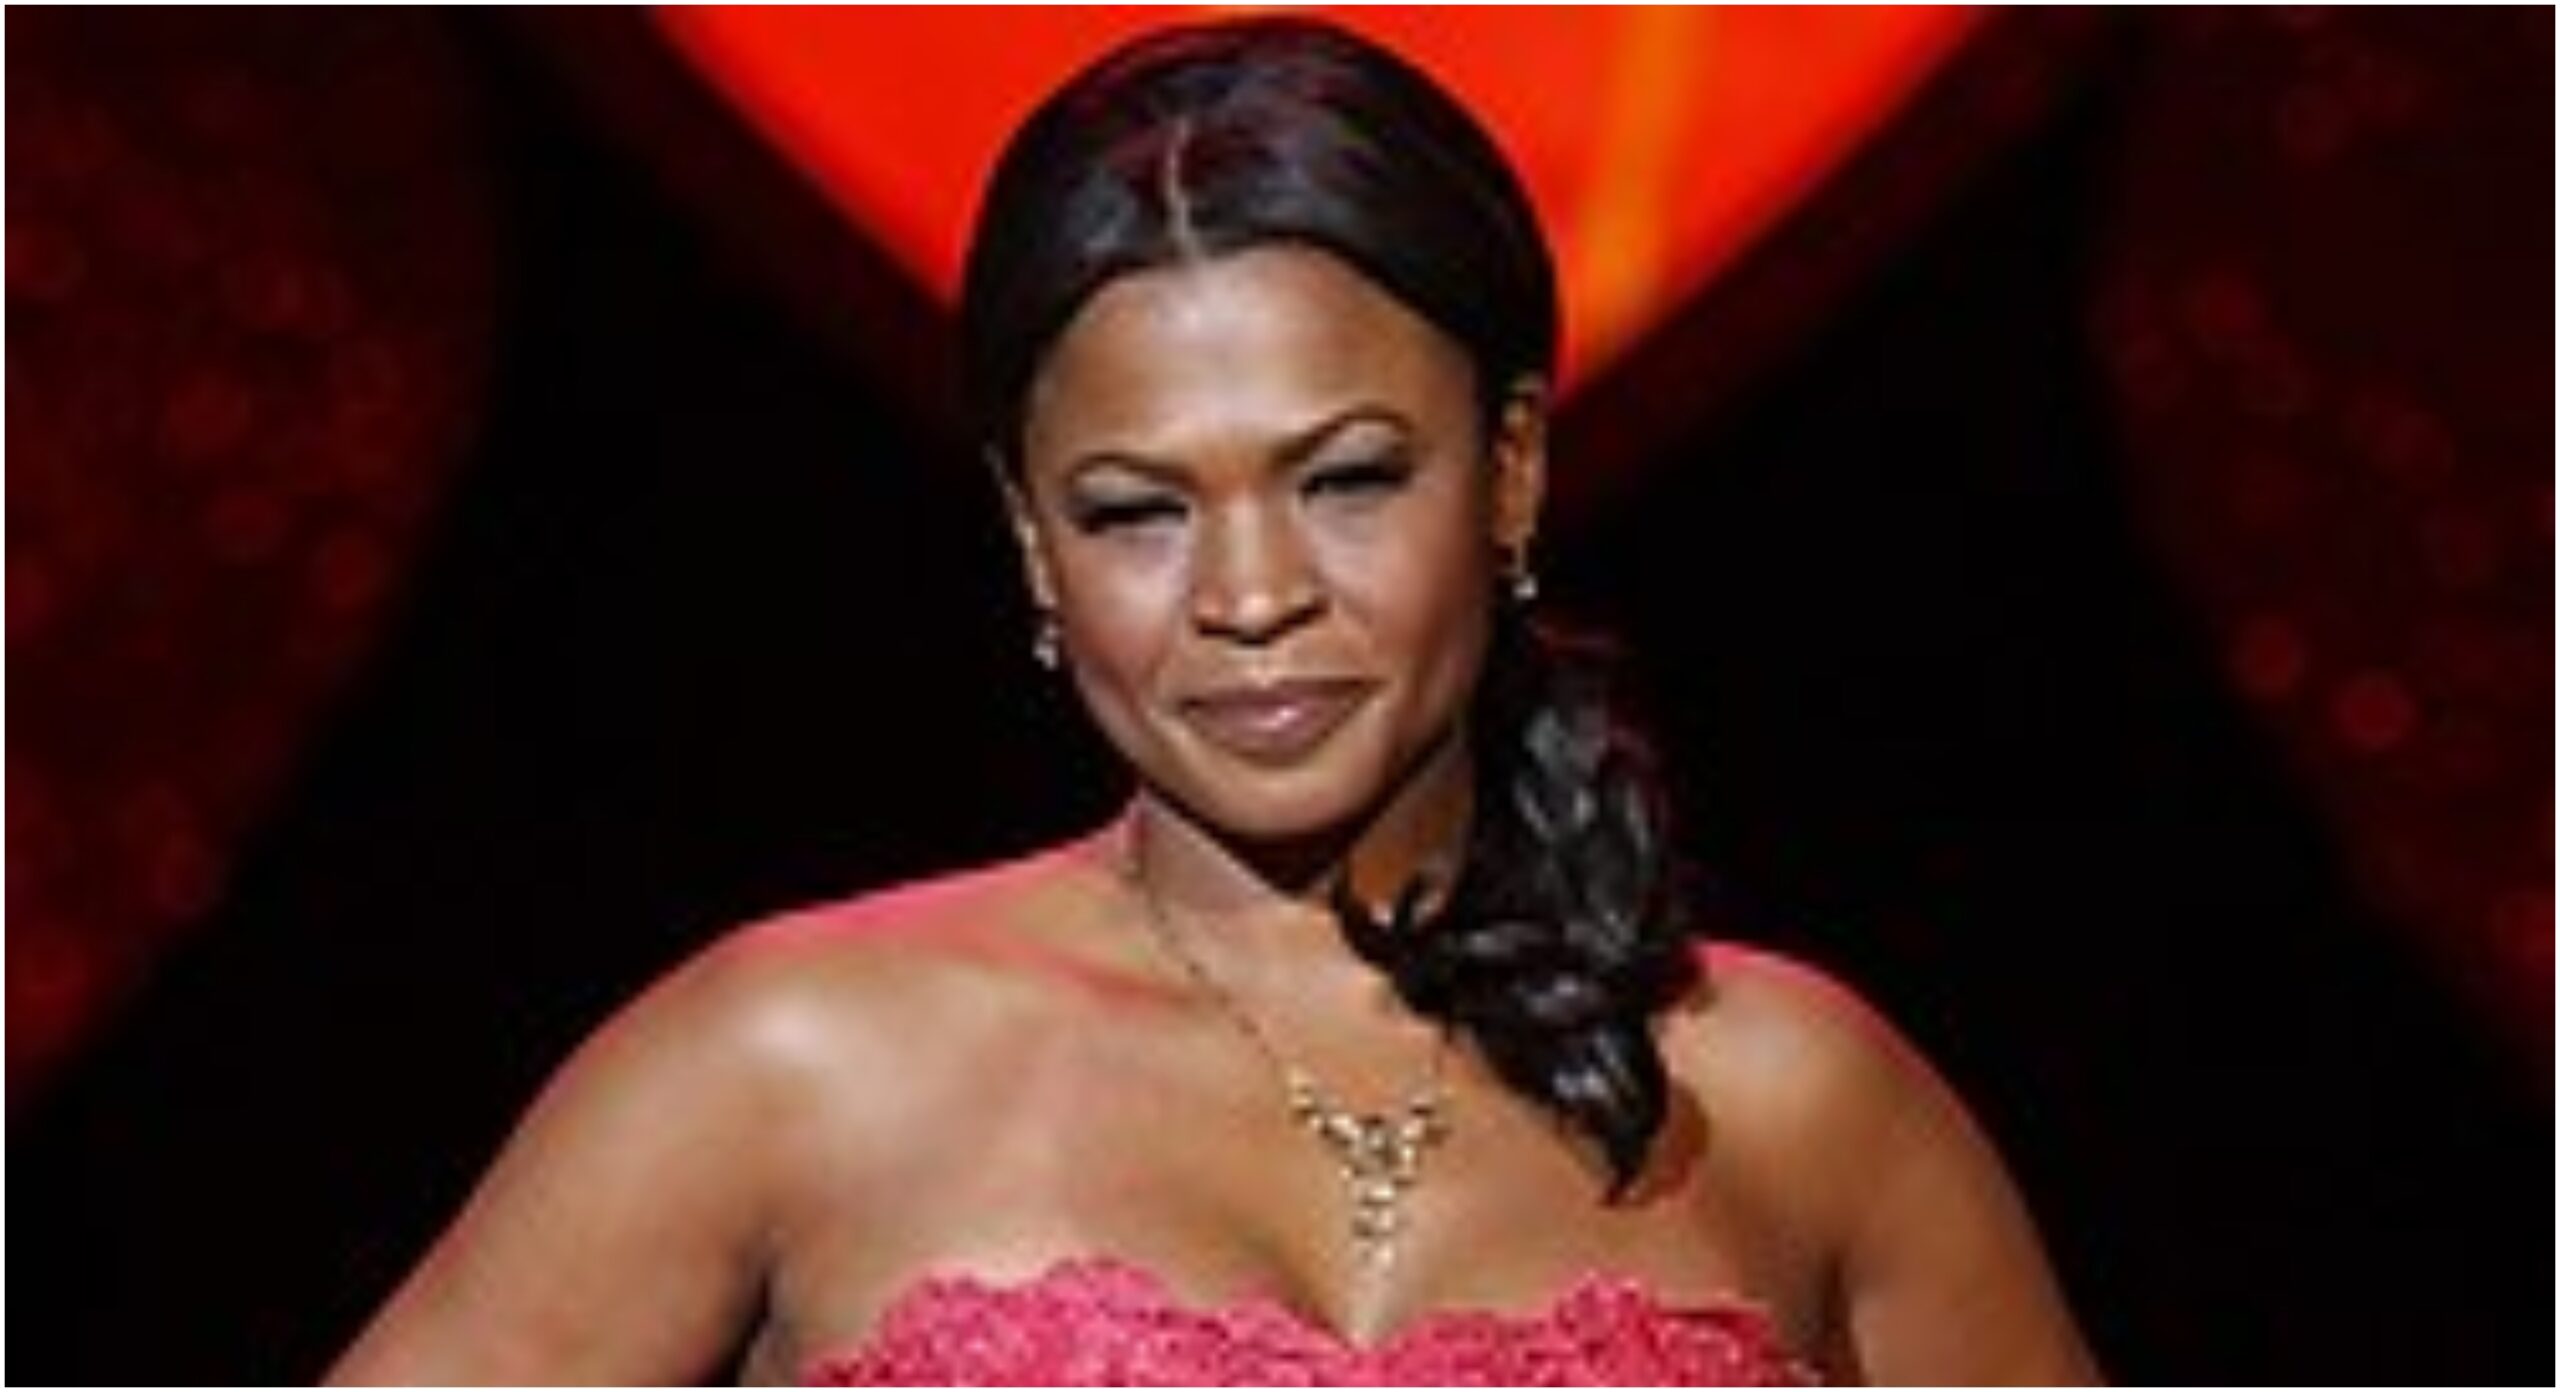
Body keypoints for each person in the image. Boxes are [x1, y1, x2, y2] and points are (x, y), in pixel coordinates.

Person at [330, 15, 2098, 1385]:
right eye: (1137, 511)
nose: (1251, 597)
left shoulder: (1801, 1108)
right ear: (1033, 542)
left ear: (1511, 471)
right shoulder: (788, 1069)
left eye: (1347, 479)